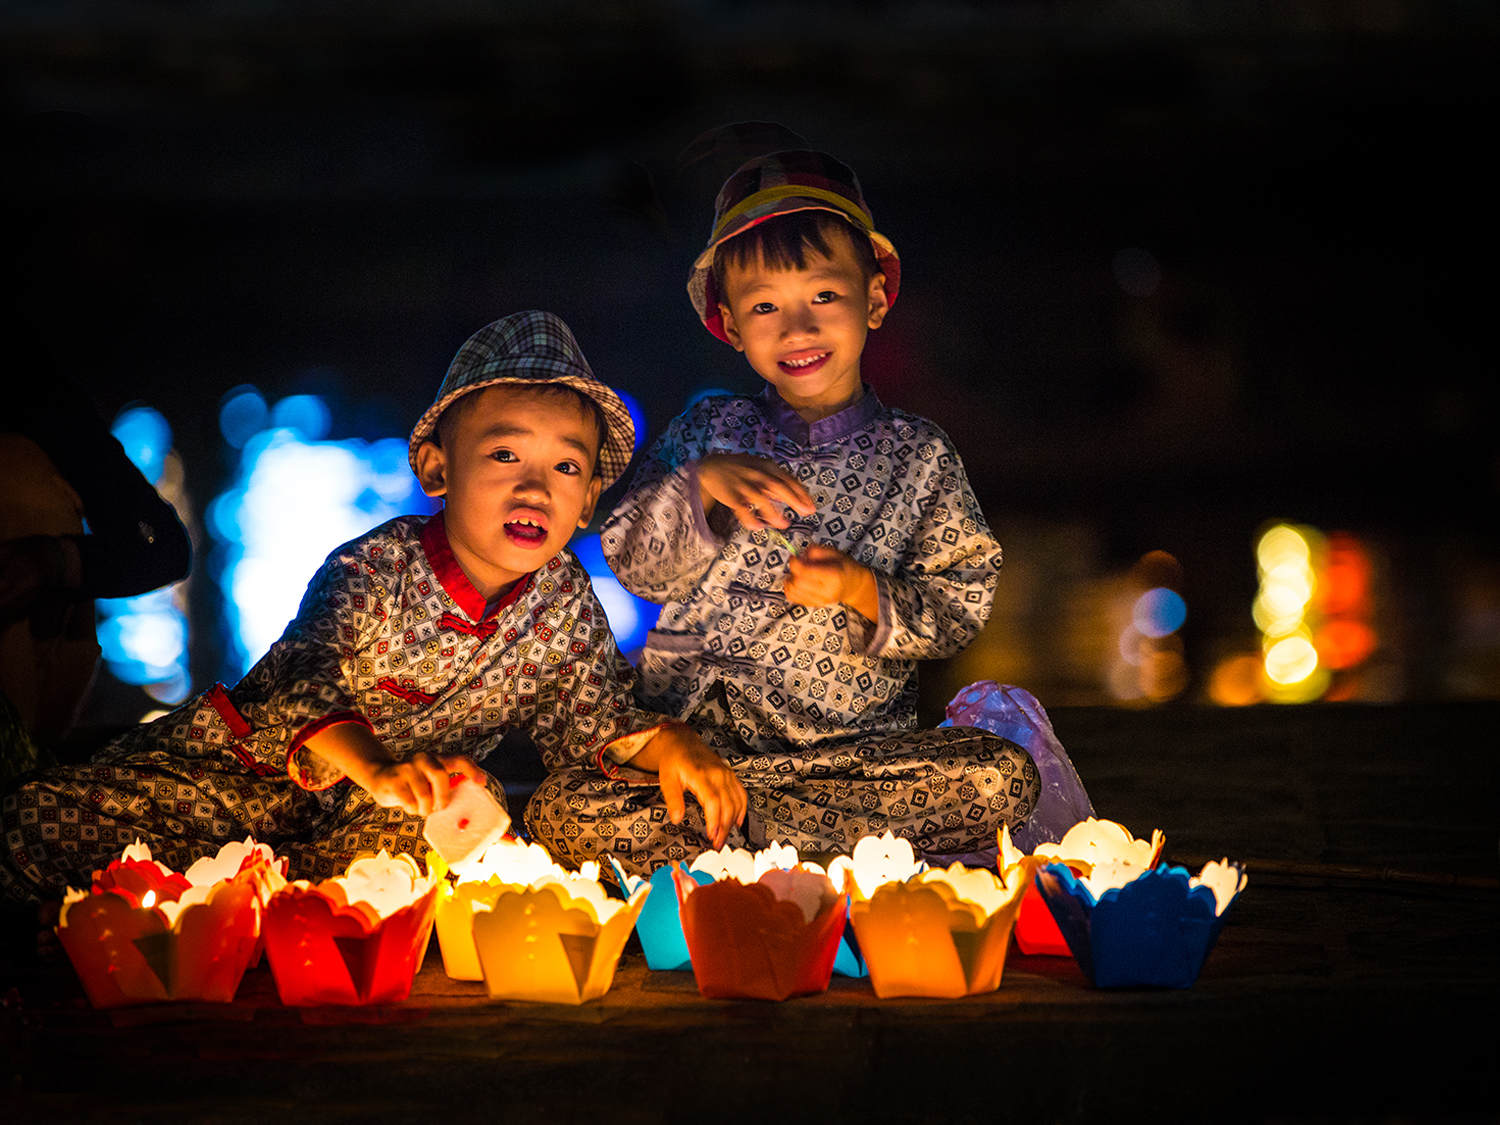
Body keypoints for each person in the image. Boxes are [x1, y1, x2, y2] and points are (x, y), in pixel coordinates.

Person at [0, 311, 744, 911]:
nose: (535, 487)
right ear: (435, 468)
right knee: (31, 822)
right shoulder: (371, 567)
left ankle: (288, 903)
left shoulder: (563, 603)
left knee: (468, 802)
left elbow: (594, 717)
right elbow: (307, 681)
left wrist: (668, 743)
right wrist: (378, 766)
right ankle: (228, 896)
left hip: (375, 813)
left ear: (585, 504)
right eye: (504, 456)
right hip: (234, 780)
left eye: (566, 467)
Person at [529, 149, 1068, 873]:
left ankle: (749, 837)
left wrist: (861, 589)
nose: (797, 327)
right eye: (764, 307)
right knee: (562, 808)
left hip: (849, 761)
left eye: (823, 296)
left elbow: (962, 600)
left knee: (1001, 777)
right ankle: (817, 845)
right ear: (728, 323)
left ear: (874, 299)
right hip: (698, 753)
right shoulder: (706, 433)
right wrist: (698, 489)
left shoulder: (920, 455)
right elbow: (629, 563)